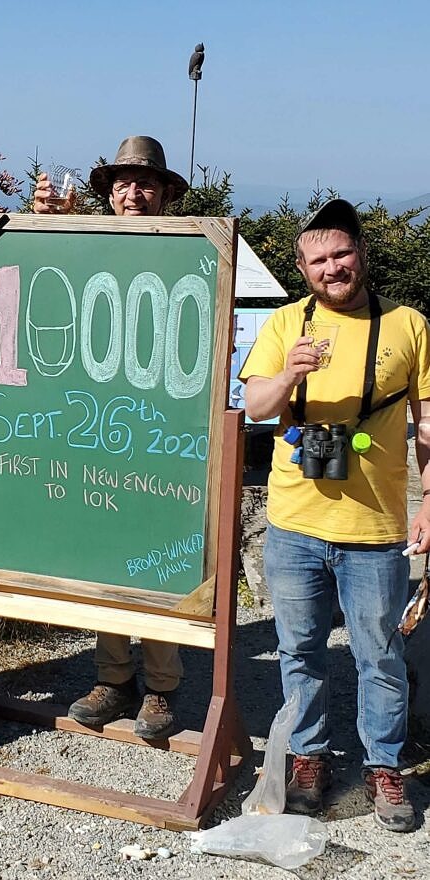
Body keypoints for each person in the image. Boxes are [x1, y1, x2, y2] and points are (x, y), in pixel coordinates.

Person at [240, 198, 430, 833]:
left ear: (362, 254)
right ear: (303, 269)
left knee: (378, 653)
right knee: (300, 649)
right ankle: (309, 757)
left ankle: (385, 766)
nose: (333, 267)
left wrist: (429, 501)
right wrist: (289, 372)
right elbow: (256, 406)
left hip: (375, 529)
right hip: (294, 525)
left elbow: (426, 426)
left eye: (342, 253)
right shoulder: (285, 325)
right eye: (318, 259)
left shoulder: (409, 325)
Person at [34, 136, 190, 739]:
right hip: (92, 425)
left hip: (161, 429)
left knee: (157, 555)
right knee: (105, 551)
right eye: (122, 182)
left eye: (145, 183)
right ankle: (114, 678)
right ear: (108, 192)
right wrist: (43, 220)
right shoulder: (87, 243)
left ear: (165, 194)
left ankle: (161, 688)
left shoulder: (187, 251)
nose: (133, 192)